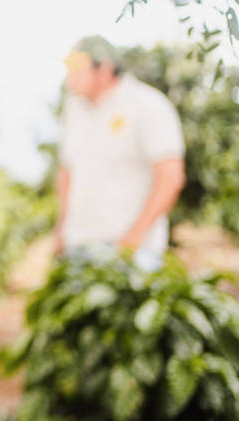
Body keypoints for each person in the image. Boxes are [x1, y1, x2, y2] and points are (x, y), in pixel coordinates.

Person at [54, 36, 186, 270]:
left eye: (77, 71)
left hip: (133, 252)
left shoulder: (148, 105)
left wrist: (135, 237)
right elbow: (66, 172)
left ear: (104, 69)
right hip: (79, 247)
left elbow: (170, 177)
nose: (69, 79)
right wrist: (61, 229)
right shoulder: (74, 109)